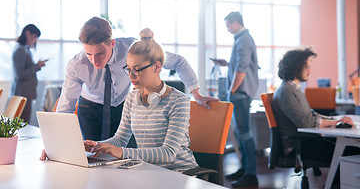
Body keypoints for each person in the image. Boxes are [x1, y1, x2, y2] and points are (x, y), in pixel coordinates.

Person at [56, 16, 217, 142]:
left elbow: (178, 62)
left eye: (99, 54)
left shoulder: (133, 49)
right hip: (90, 110)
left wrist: (196, 95)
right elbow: (65, 108)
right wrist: (55, 145)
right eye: (88, 54)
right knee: (94, 156)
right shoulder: (76, 65)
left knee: (126, 157)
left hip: (124, 107)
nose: (94, 60)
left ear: (112, 43)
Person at [83, 38, 199, 171]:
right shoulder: (132, 98)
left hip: (181, 172)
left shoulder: (179, 101)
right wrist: (97, 146)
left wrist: (121, 152)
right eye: (129, 69)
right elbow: (120, 139)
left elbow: (168, 153)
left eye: (137, 70)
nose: (131, 76)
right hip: (149, 171)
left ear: (157, 66)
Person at [272, 47, 358, 166]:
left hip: (307, 141)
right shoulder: (286, 92)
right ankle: (336, 184)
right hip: (298, 146)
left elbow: (311, 114)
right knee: (349, 151)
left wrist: (335, 120)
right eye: (307, 67)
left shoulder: (293, 89)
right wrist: (334, 123)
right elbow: (305, 122)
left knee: (349, 147)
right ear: (295, 67)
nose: (310, 71)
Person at [214, 11, 259, 187]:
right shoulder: (241, 40)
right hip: (240, 92)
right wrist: (227, 64)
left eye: (228, 26)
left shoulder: (244, 40)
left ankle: (251, 174)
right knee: (240, 132)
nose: (227, 29)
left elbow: (242, 68)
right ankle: (245, 168)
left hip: (240, 92)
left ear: (235, 23)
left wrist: (232, 90)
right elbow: (239, 64)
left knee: (244, 133)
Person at [10, 24, 47, 123]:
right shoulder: (21, 50)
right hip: (22, 93)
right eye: (34, 37)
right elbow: (20, 74)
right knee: (23, 124)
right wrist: (37, 66)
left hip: (24, 92)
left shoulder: (24, 49)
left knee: (23, 122)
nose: (35, 40)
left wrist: (36, 66)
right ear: (27, 33)